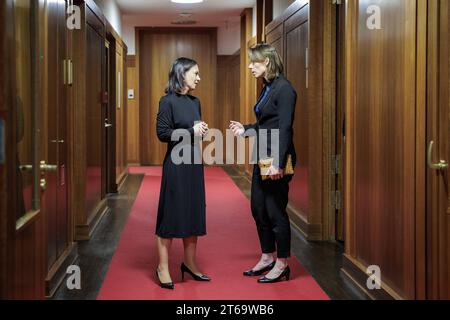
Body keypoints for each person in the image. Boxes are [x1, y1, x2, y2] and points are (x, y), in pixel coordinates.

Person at [230, 43, 297, 283]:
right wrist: (246, 129)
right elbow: (266, 124)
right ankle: (267, 256)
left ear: (266, 61)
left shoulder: (285, 89)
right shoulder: (268, 87)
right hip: (262, 156)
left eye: (253, 61)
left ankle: (282, 262)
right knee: (258, 208)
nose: (249, 66)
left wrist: (278, 164)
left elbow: (284, 128)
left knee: (274, 210)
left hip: (277, 159)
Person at [155, 57, 211, 290]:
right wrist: (190, 130)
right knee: (171, 213)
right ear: (181, 73)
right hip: (176, 166)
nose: (199, 78)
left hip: (193, 164)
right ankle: (163, 267)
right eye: (195, 73)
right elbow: (162, 133)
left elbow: (194, 134)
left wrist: (200, 134)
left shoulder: (195, 101)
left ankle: (189, 262)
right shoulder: (166, 101)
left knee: (193, 211)